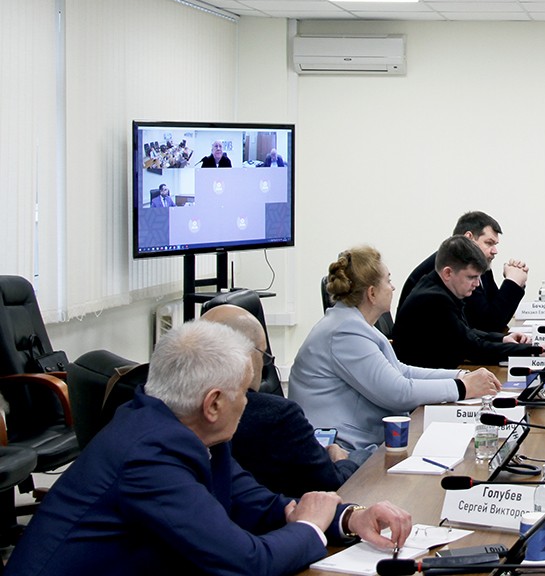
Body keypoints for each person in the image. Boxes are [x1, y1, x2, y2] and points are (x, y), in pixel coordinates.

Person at [6, 320, 412, 575]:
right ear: (214, 403)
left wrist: (349, 517)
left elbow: (258, 504)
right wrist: (308, 527)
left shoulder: (189, 431)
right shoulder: (148, 457)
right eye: (244, 392)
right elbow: (246, 562)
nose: (249, 402)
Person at [290, 245, 503, 450]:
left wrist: (460, 375)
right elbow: (397, 392)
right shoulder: (345, 332)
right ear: (372, 293)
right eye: (388, 281)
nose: (392, 287)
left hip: (365, 437)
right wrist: (462, 387)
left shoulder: (356, 324)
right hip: (342, 449)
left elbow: (401, 371)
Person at [201, 304, 365, 498]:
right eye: (264, 355)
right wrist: (342, 461)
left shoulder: (186, 412)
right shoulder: (278, 416)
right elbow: (332, 484)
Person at [393, 236, 545, 369]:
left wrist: (503, 338)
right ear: (448, 273)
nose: (477, 284)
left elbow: (465, 332)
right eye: (472, 277)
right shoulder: (434, 299)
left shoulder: (437, 286)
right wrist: (539, 350)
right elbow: (475, 349)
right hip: (424, 390)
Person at [396, 211, 527, 333]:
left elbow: (496, 314)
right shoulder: (455, 267)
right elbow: (487, 325)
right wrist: (512, 283)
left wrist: (515, 284)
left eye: (495, 245)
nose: (494, 251)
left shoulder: (479, 266)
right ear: (469, 238)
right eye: (489, 243)